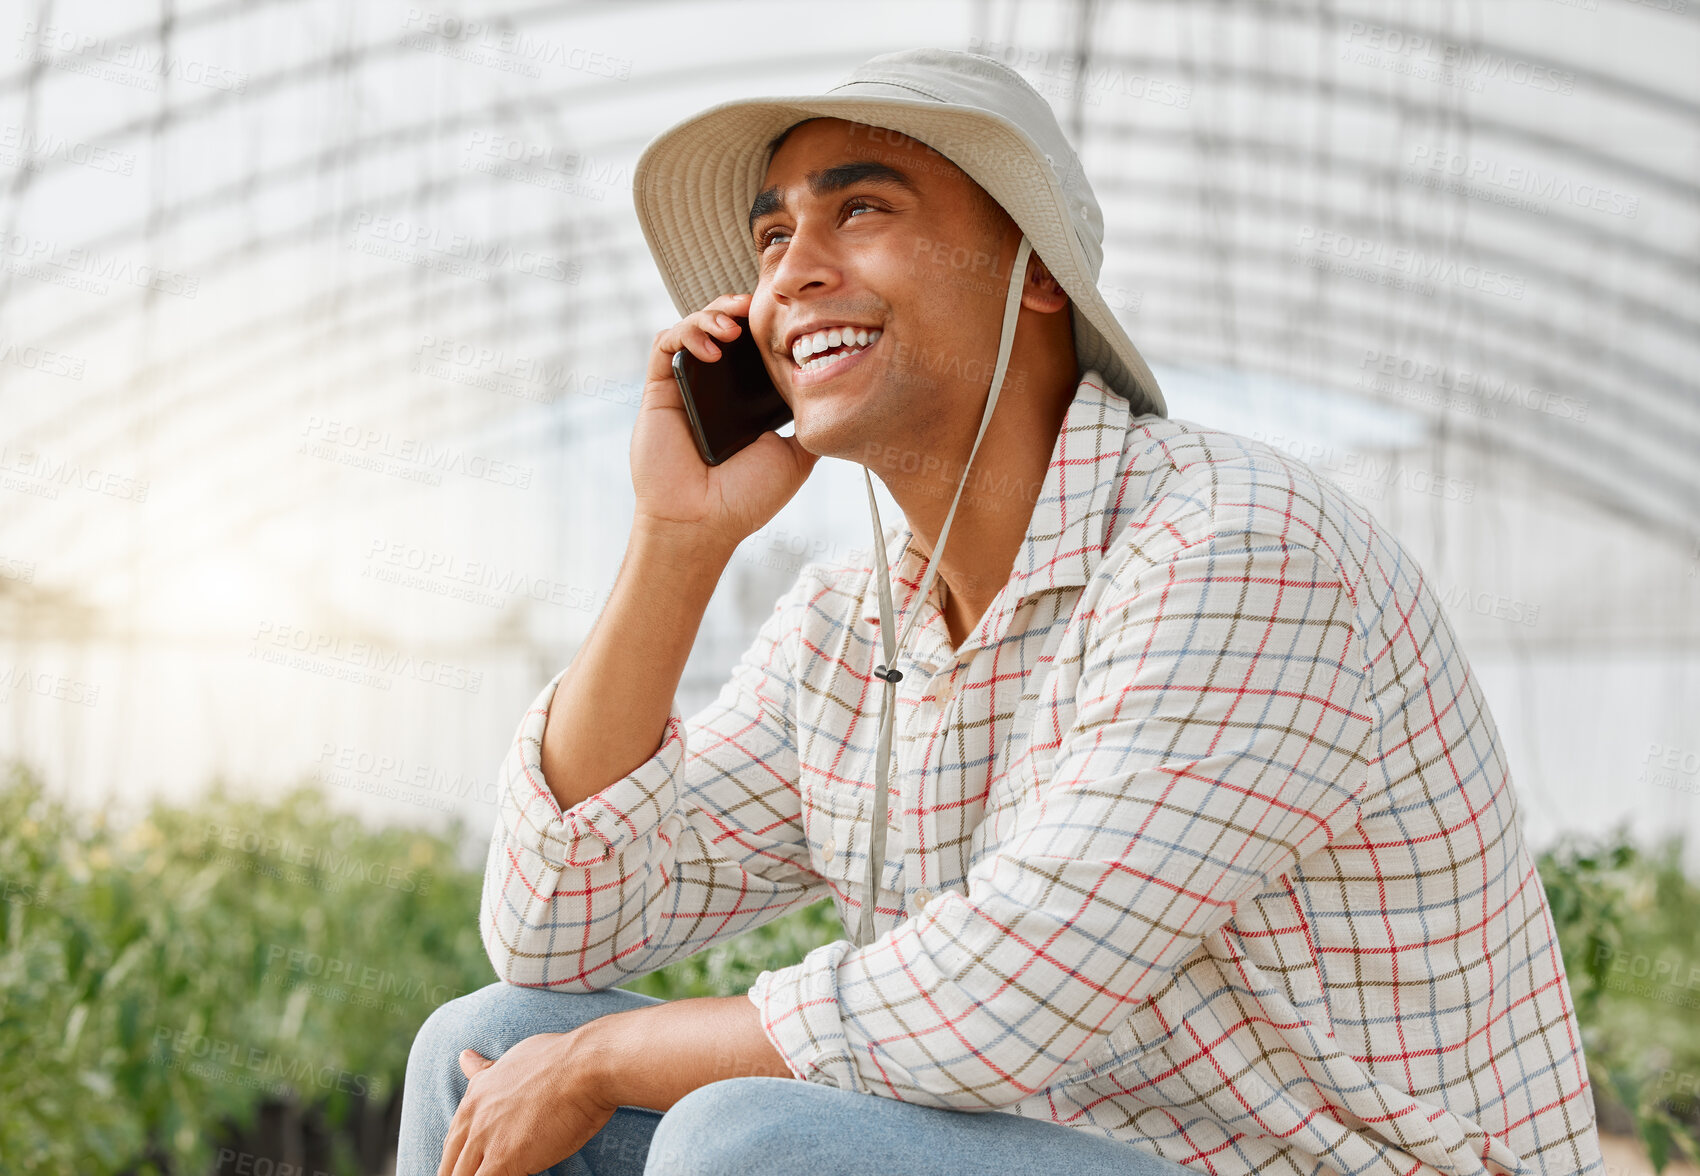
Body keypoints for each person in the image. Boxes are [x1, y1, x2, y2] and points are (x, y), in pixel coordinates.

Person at [397, 48, 1605, 1176]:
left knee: (751, 1140)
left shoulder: (1236, 550)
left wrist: (607, 1059)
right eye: (772, 236)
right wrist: (678, 540)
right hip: (1061, 1152)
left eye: (858, 211)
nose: (790, 270)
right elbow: (556, 927)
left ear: (1031, 273)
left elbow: (998, 999)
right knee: (493, 1034)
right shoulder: (850, 625)